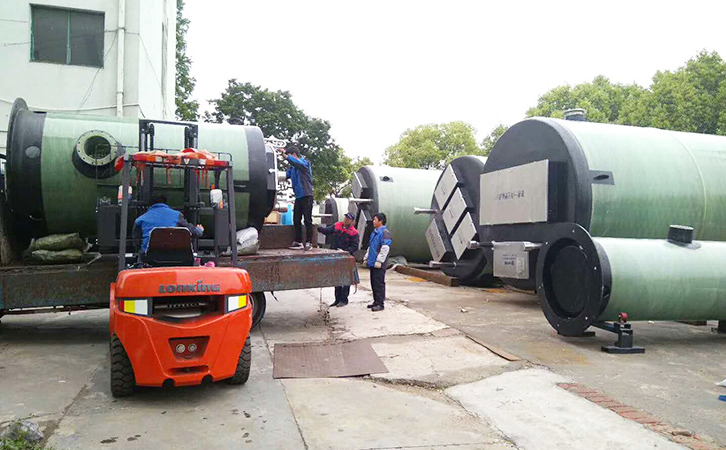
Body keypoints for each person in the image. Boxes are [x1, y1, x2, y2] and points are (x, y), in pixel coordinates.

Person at [133, 195, 204, 254]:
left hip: (149, 257)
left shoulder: (140, 219)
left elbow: (137, 243)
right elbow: (193, 232)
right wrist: (199, 230)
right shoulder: (177, 215)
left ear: (150, 206)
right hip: (173, 255)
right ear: (166, 204)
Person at [317, 212, 360, 307]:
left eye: (348, 219)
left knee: (345, 279)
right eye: (345, 217)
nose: (346, 220)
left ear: (352, 221)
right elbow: (327, 231)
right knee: (337, 279)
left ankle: (344, 300)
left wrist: (344, 251)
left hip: (346, 258)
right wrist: (318, 228)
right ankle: (337, 299)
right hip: (336, 257)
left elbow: (355, 247)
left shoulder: (353, 232)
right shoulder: (337, 226)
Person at [278, 143, 314, 251]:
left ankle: (309, 242)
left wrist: (285, 156)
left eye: (290, 156)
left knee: (307, 219)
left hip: (307, 194)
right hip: (298, 196)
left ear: (294, 154)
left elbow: (298, 163)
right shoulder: (293, 168)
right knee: (296, 219)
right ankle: (298, 242)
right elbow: (285, 175)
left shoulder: (305, 163)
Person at [364, 212, 392, 312]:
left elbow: (385, 248)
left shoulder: (385, 233)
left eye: (375, 219)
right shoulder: (375, 232)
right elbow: (371, 246)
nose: (373, 221)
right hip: (373, 262)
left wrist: (379, 261)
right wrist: (366, 257)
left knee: (379, 283)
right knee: (373, 282)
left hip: (379, 264)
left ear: (381, 221)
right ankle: (376, 301)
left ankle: (380, 303)